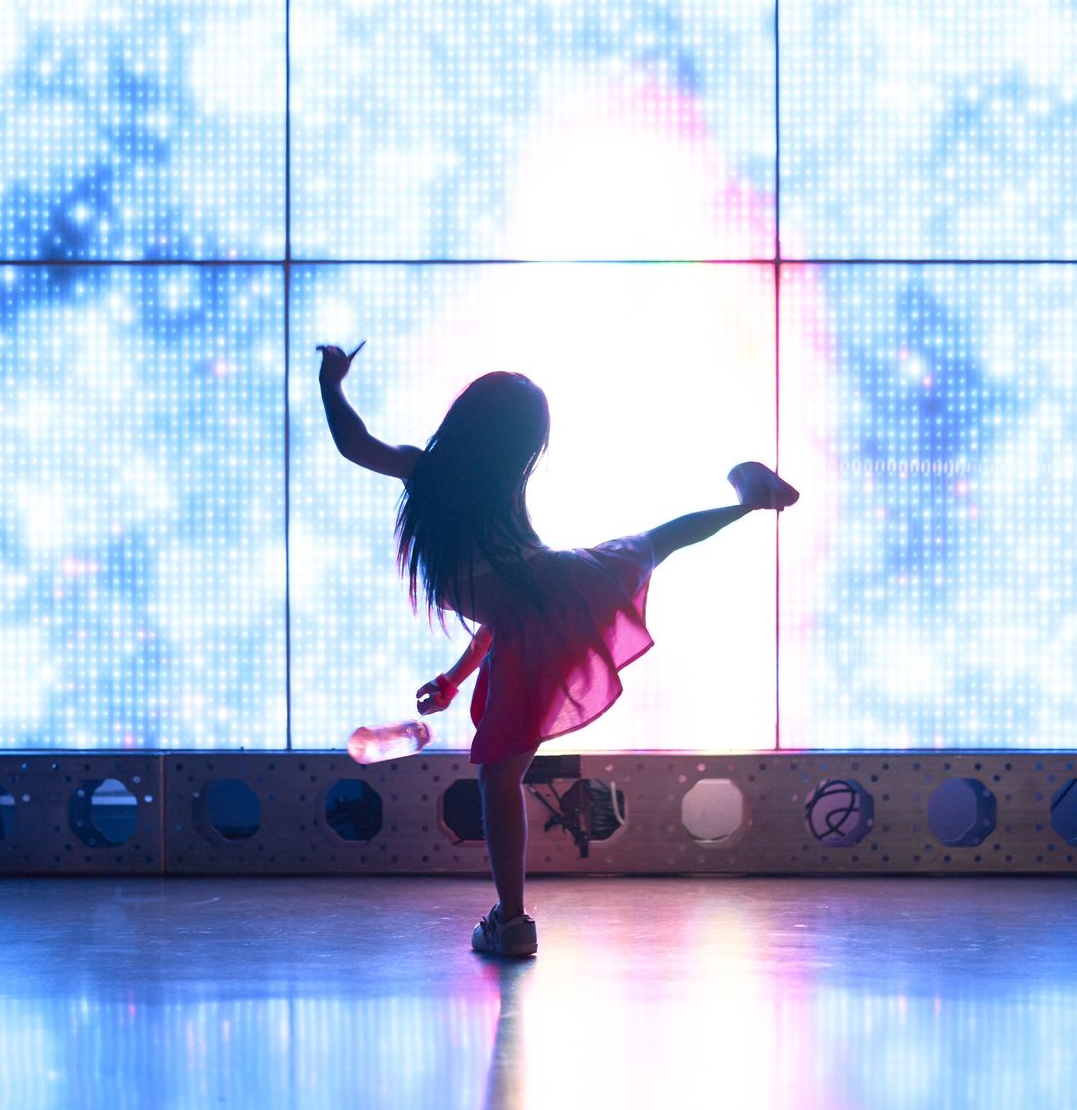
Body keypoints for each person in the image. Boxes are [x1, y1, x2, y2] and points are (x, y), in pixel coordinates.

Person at [315, 341, 798, 959]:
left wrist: (332, 383)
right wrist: (458, 677)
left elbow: (355, 444)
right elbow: (508, 608)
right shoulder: (501, 504)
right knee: (656, 542)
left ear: (465, 422)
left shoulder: (432, 477)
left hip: (541, 612)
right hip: (558, 598)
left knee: (498, 779)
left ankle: (512, 921)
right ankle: (747, 499)